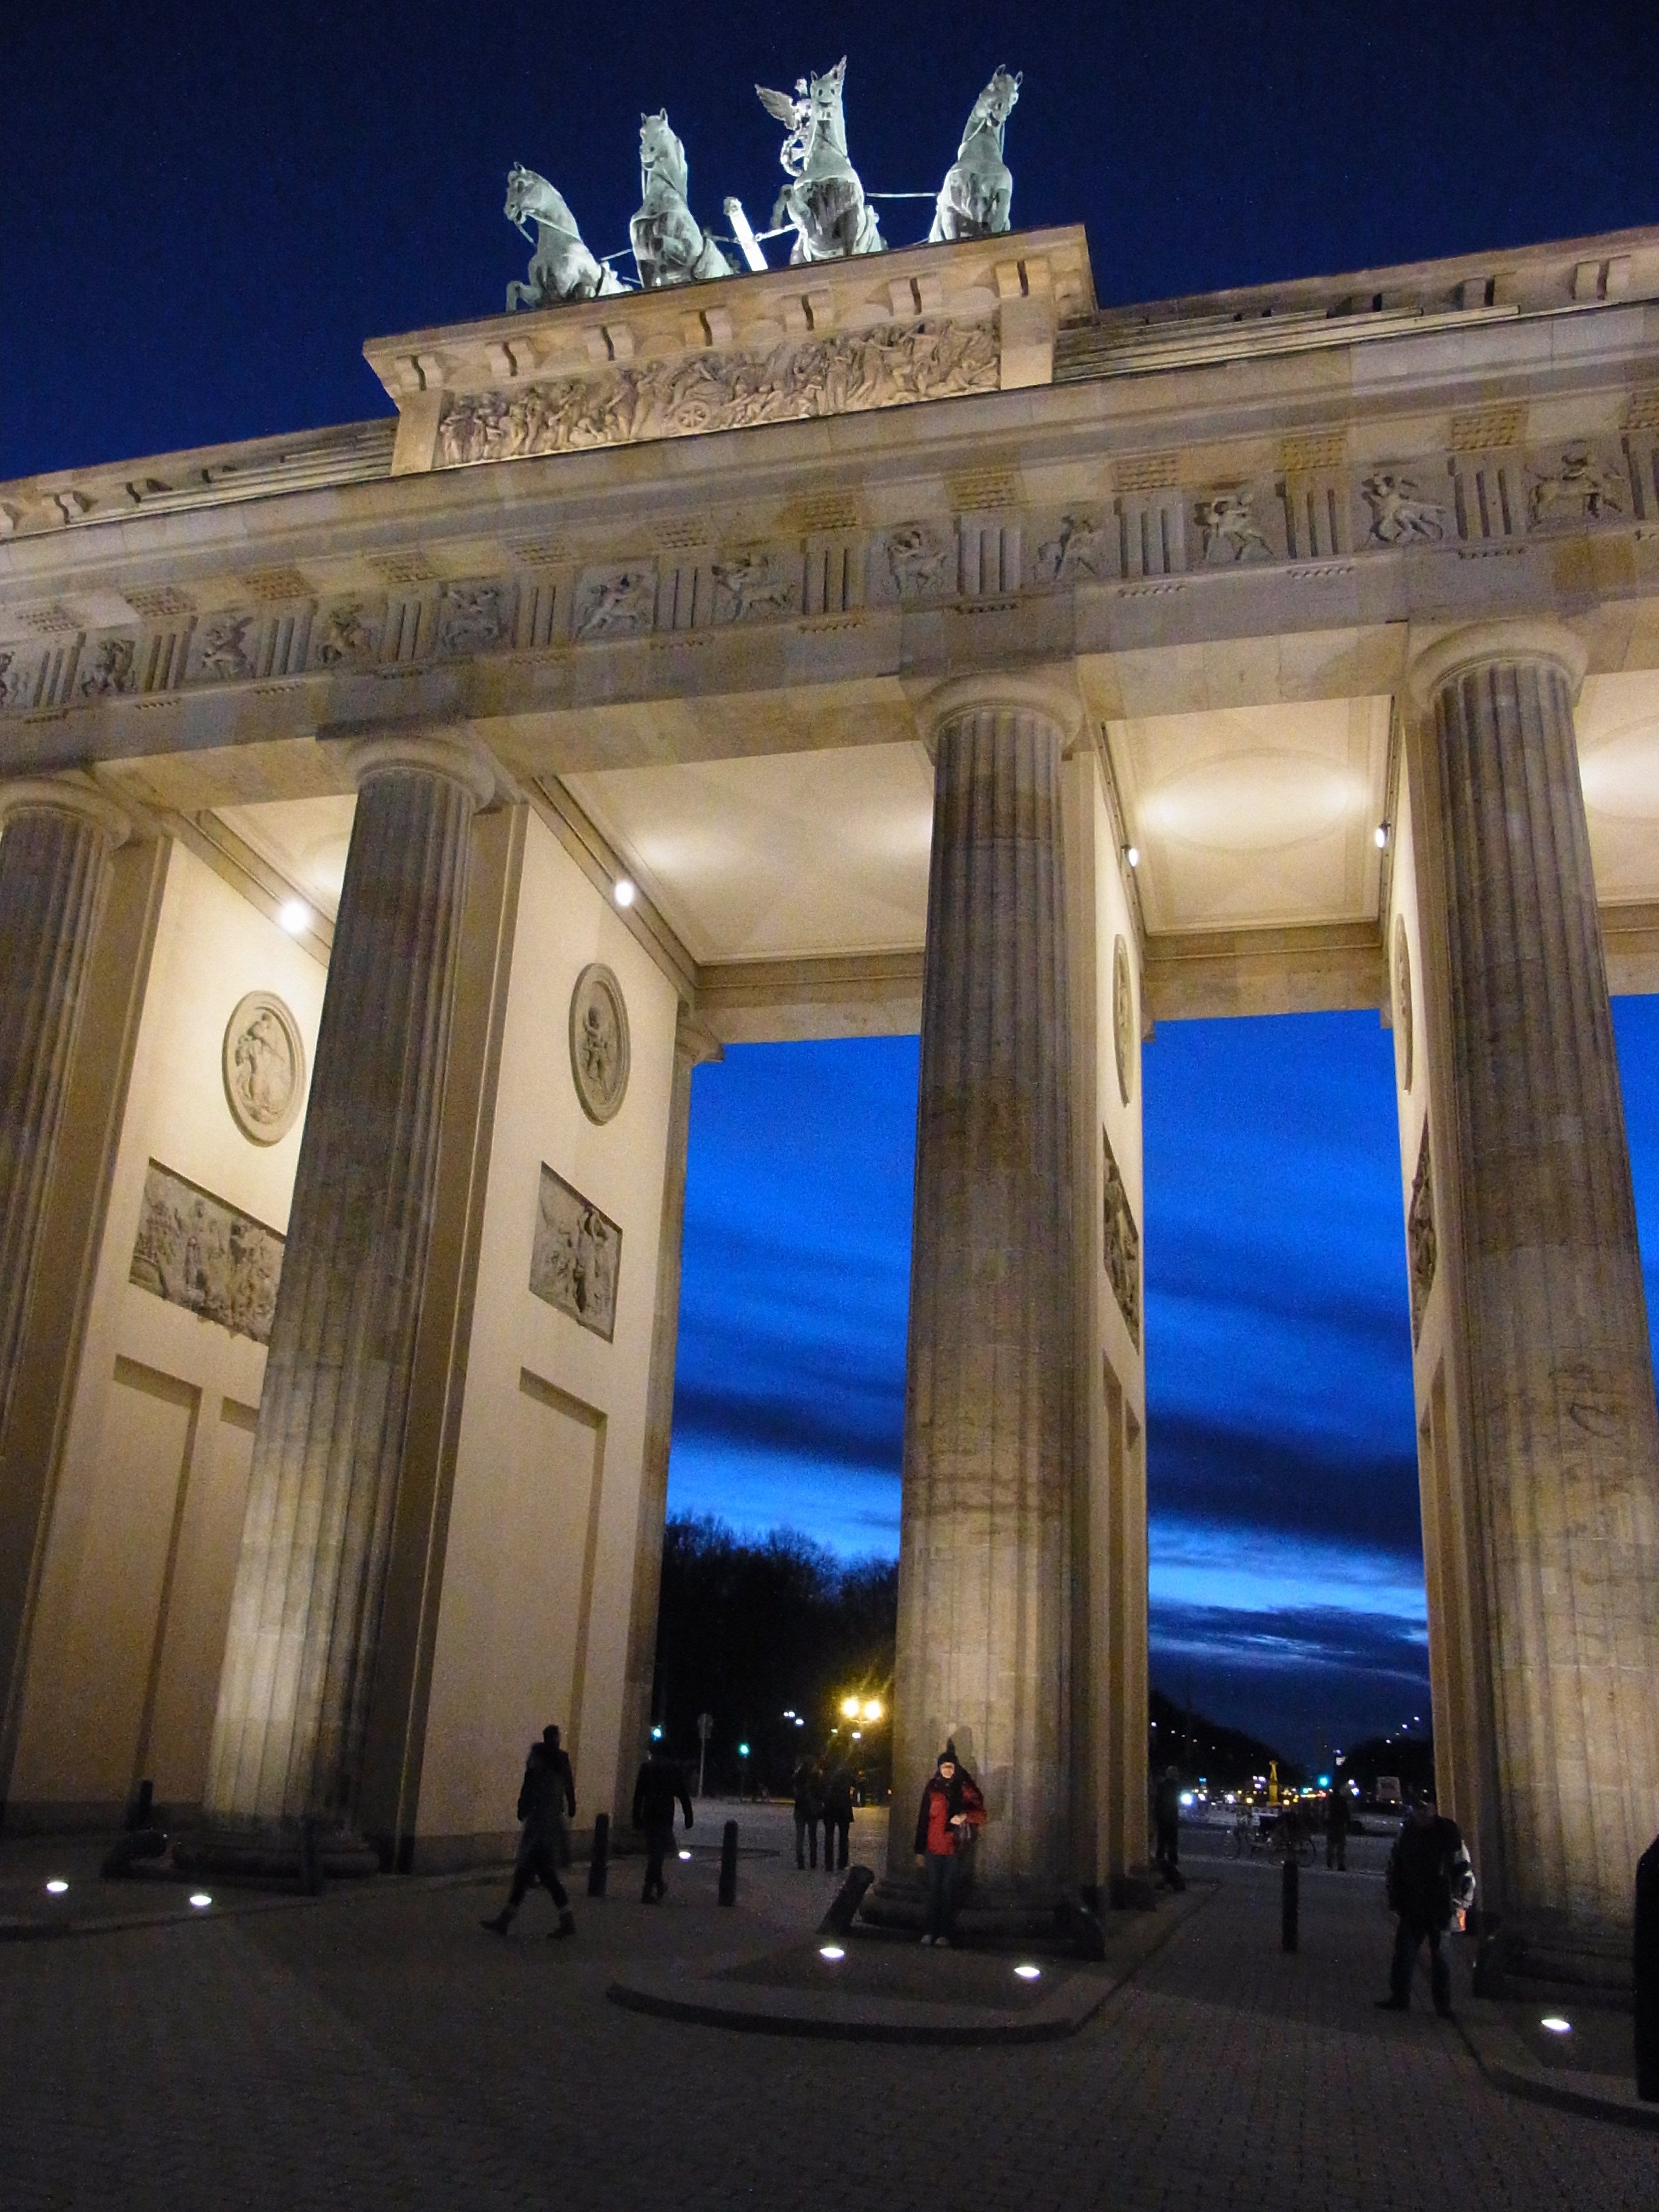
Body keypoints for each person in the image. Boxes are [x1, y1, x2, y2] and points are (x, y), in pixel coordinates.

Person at [1377, 1792, 1474, 2016]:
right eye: (1417, 1809)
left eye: (1425, 1808)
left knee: (1440, 1959)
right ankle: (1400, 1998)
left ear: (1434, 1809)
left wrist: (1461, 1902)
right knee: (1404, 1955)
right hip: (1412, 1904)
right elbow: (1395, 1865)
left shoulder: (1448, 1834)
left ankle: (1443, 2006)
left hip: (1441, 1905)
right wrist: (1394, 1895)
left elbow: (1463, 1869)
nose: (1421, 1813)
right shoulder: (1408, 1832)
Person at [481, 1724, 577, 1939]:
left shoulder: (543, 1765)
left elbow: (532, 1790)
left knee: (538, 1874)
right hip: (547, 1827)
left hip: (540, 1829)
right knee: (537, 1875)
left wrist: (523, 1808)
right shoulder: (557, 1764)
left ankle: (508, 1920)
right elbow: (566, 1788)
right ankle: (508, 1920)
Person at [913, 1741, 985, 1947]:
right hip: (933, 1847)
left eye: (950, 1767)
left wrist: (964, 1815)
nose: (947, 1770)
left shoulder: (964, 1788)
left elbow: (981, 1813)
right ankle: (929, 1931)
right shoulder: (932, 1788)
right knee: (933, 1890)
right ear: (939, 1768)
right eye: (944, 1767)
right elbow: (923, 1819)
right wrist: (919, 1850)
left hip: (953, 1849)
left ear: (956, 1769)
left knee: (948, 1891)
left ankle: (944, 1933)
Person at [631, 1740, 694, 1903]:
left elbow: (639, 1795)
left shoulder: (647, 1768)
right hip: (665, 1813)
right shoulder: (672, 1769)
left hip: (650, 1812)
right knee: (658, 1853)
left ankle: (657, 1885)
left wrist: (636, 1817)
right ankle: (648, 1890)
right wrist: (688, 1816)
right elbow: (683, 1794)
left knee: (655, 1851)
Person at [1153, 1765, 1184, 1889]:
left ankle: (1161, 1871)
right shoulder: (1176, 1787)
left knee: (1162, 1846)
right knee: (1172, 1847)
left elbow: (1158, 1803)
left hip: (1163, 1820)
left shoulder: (1162, 1786)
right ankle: (1172, 1874)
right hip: (1170, 1820)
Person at [822, 1763, 855, 1872]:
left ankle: (829, 1864)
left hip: (830, 1808)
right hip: (844, 1809)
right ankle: (842, 1863)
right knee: (844, 1837)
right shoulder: (846, 1775)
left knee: (829, 1837)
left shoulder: (827, 1774)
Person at [792, 1758, 823, 1871]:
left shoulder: (797, 1776)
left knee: (800, 1836)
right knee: (812, 1836)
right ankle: (813, 1861)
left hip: (800, 1808)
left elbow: (795, 1792)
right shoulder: (815, 1778)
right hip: (812, 1809)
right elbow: (819, 1793)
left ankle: (800, 1860)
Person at [1326, 1782, 1352, 1871]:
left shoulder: (1330, 1800)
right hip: (1340, 1824)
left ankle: (1330, 1862)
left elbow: (1326, 1811)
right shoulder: (1342, 1800)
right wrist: (1348, 1822)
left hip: (1331, 1824)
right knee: (1340, 1845)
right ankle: (1340, 1864)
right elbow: (1346, 1812)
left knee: (1331, 1845)